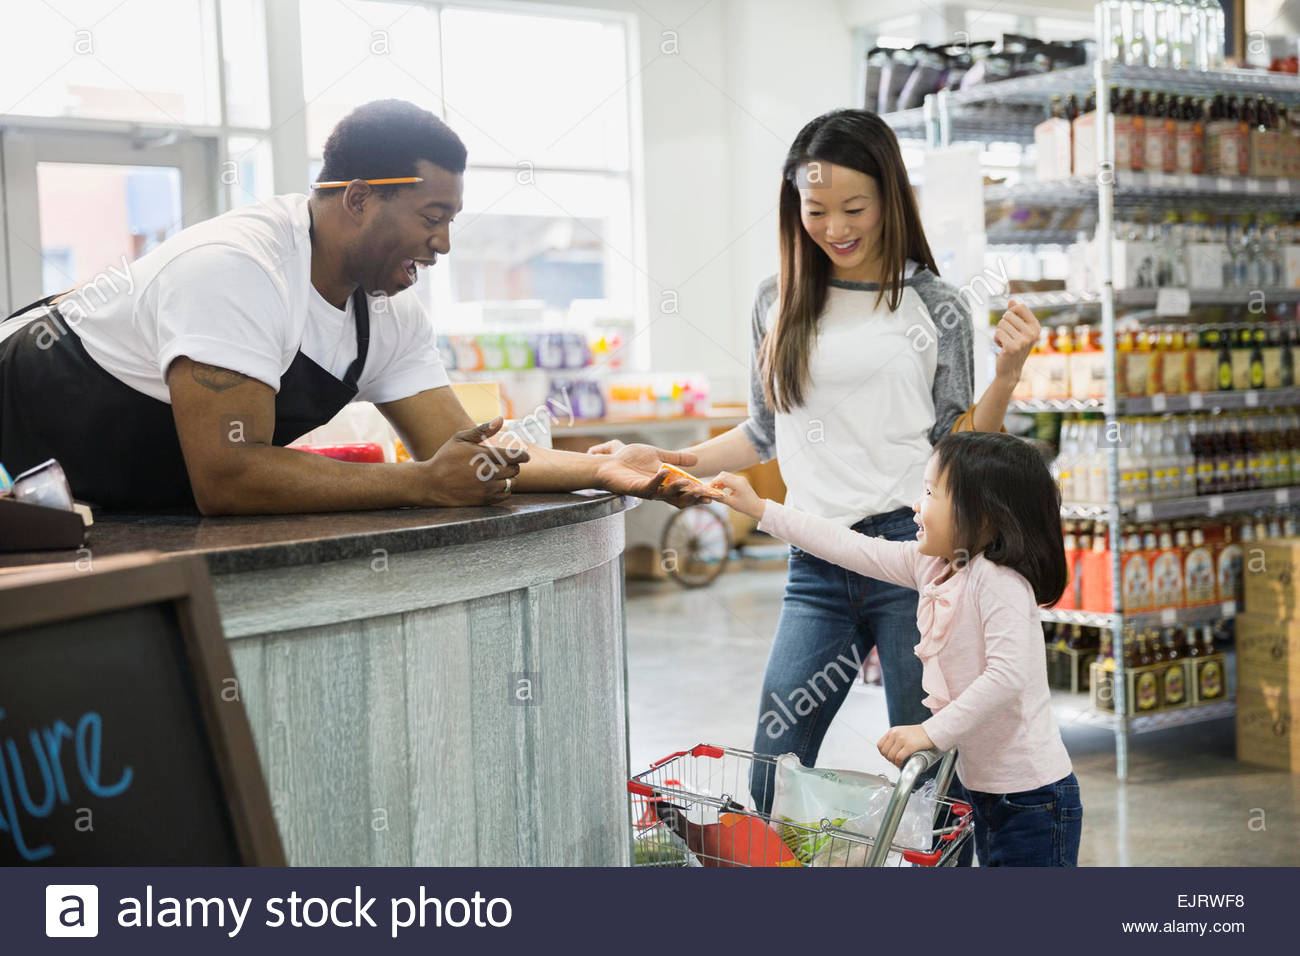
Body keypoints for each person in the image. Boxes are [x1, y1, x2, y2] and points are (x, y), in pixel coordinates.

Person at [591, 109, 1041, 810]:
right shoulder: (777, 301)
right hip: (816, 558)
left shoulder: (935, 304)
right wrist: (670, 457)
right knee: (776, 760)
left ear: (891, 198)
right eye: (817, 209)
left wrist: (1007, 375)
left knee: (930, 777)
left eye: (854, 207)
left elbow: (960, 441)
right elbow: (764, 434)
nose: (835, 227)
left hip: (913, 556)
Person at [0, 99, 689, 513]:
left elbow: (461, 451)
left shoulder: (387, 311)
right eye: (432, 215)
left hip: (98, 492)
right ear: (359, 197)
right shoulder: (237, 269)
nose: (444, 243)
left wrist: (600, 470)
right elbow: (228, 476)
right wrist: (422, 485)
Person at [710, 431, 1083, 867]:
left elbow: (1007, 676)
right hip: (987, 791)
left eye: (930, 492)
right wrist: (760, 508)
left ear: (984, 514)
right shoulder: (932, 565)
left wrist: (930, 731)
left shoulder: (999, 583)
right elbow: (849, 546)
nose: (915, 505)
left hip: (1032, 798)